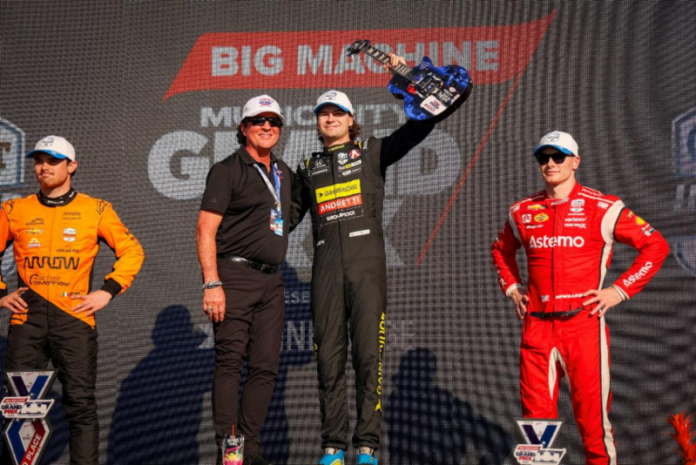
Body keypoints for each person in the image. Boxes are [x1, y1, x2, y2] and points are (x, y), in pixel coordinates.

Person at [291, 54, 470, 465]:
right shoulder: (307, 166)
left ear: (351, 119)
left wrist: (410, 78)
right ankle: (333, 447)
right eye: (323, 113)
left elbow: (421, 125)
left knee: (368, 355)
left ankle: (367, 446)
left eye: (338, 112)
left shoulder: (372, 151)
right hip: (326, 267)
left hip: (367, 266)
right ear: (317, 123)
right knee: (328, 359)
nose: (330, 118)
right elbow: (283, 218)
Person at [491, 131, 670, 465]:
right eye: (543, 158)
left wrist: (619, 290)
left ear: (575, 162)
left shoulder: (602, 207)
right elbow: (501, 250)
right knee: (536, 427)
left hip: (583, 327)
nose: (549, 164)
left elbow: (655, 246)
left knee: (593, 425)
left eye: (558, 157)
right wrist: (512, 289)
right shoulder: (523, 211)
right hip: (537, 330)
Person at [0, 135, 144, 465]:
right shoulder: (14, 209)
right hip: (27, 320)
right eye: (38, 161)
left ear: (71, 166)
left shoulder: (96, 209)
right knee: (21, 408)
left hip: (75, 320)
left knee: (80, 406)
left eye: (52, 161)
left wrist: (107, 290)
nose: (44, 167)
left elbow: (132, 251)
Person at [197, 95, 293, 465]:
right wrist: (212, 282)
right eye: (258, 121)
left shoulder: (283, 171)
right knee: (230, 362)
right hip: (233, 276)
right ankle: (229, 447)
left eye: (274, 121)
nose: (267, 126)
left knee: (266, 365)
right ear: (243, 128)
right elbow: (206, 230)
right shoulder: (227, 169)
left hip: (272, 283)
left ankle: (250, 449)